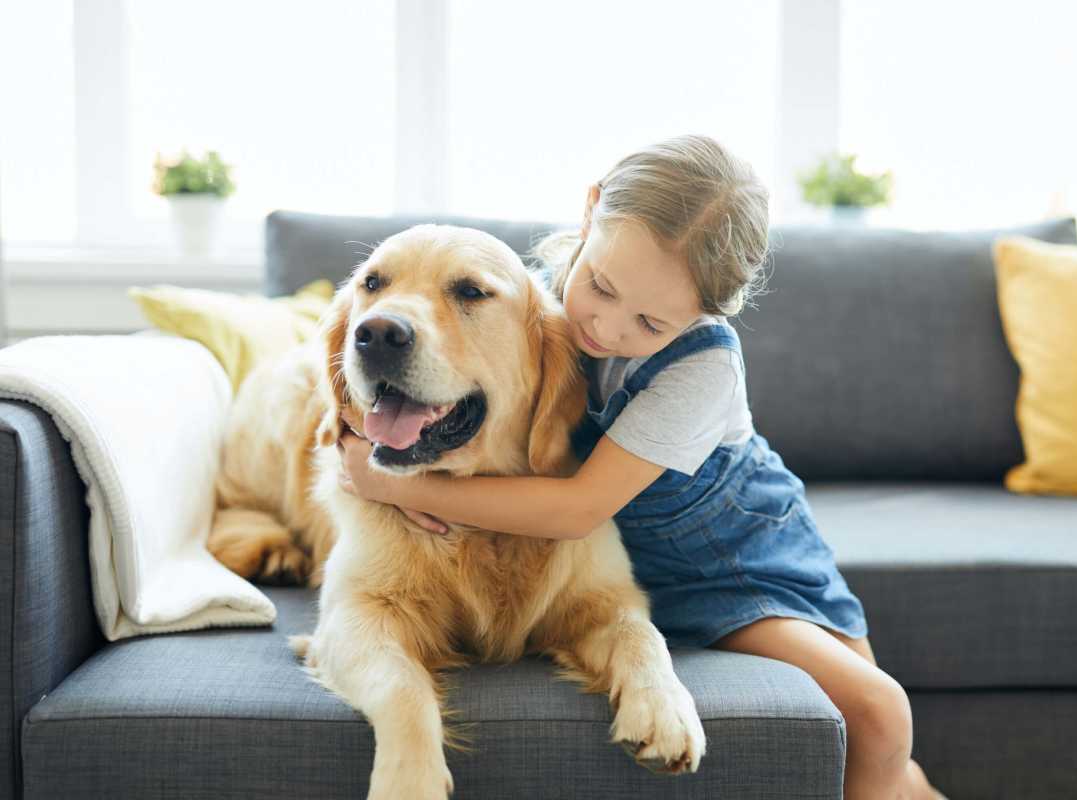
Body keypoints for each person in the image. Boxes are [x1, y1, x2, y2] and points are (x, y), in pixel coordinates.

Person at [338, 134, 945, 800]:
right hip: (632, 564)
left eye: (650, 323)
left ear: (702, 316)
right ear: (591, 211)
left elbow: (577, 509)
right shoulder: (535, 308)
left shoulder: (701, 370)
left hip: (736, 564)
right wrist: (363, 443)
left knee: (878, 721)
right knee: (875, 733)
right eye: (600, 285)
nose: (607, 328)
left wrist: (393, 481)